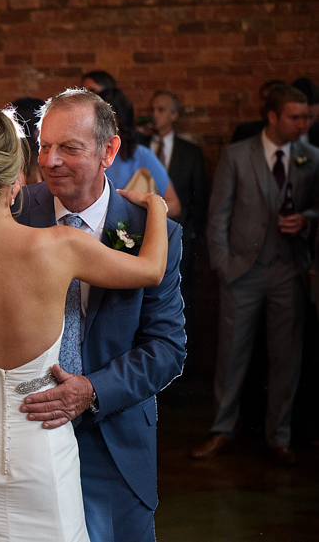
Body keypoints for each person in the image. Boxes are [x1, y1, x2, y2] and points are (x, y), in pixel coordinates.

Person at [0, 89, 186, 542]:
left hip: (112, 440)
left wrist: (92, 391)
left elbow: (167, 349)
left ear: (109, 151)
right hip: (15, 436)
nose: (51, 161)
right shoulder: (5, 207)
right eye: (44, 146)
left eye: (69, 148)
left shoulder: (150, 233)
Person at [191, 85, 319, 466]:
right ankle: (221, 430)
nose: (304, 123)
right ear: (273, 117)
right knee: (231, 355)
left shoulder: (311, 157)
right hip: (241, 271)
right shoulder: (236, 155)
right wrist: (222, 265)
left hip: (289, 271)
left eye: (306, 117)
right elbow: (219, 215)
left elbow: (317, 208)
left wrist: (307, 221)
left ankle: (278, 436)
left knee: (286, 357)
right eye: (295, 117)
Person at [148, 91, 208, 321]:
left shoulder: (190, 153)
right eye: (151, 110)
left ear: (174, 115)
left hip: (179, 238)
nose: (154, 115)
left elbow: (199, 199)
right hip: (141, 237)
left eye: (160, 110)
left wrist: (190, 233)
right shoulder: (140, 149)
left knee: (180, 302)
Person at [99, 88, 182, 219]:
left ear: (121, 122)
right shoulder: (86, 155)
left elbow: (174, 205)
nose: (101, 129)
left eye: (108, 121)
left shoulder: (141, 155)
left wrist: (139, 215)